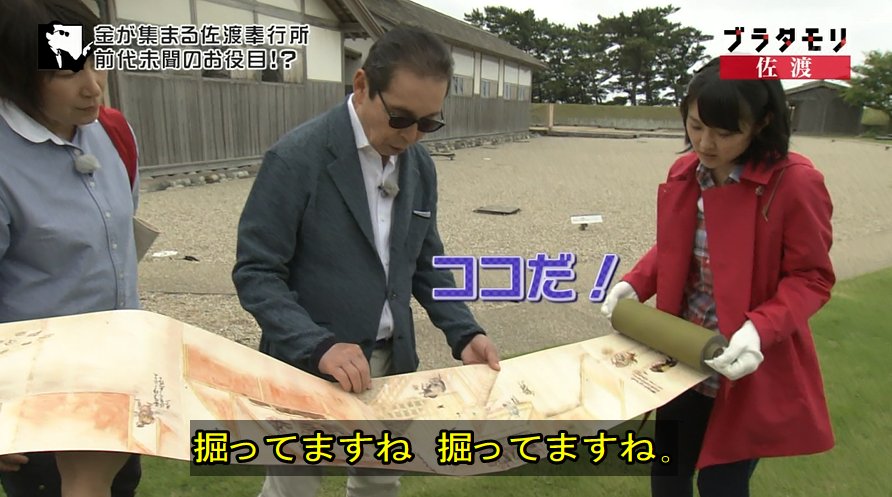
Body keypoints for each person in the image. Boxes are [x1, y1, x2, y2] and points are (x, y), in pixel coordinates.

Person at [233, 25, 500, 497]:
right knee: (293, 492)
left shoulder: (420, 167)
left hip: (390, 362)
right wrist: (317, 345)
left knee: (378, 485)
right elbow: (256, 272)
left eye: (429, 123)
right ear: (362, 86)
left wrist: (465, 332)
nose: (412, 136)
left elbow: (425, 262)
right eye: (400, 117)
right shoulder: (296, 158)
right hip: (305, 366)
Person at [600, 57, 835, 497]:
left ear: (762, 123)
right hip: (682, 350)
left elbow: (811, 277)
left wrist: (759, 328)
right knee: (667, 474)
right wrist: (635, 283)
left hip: (743, 362)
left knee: (721, 484)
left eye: (725, 133)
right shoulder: (684, 172)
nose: (706, 144)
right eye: (696, 126)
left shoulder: (795, 184)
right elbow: (675, 249)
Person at [0, 1, 143, 496]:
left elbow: (119, 242)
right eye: (66, 72)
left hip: (119, 383)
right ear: (15, 74)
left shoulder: (113, 133)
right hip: (37, 402)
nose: (93, 86)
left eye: (94, 60)